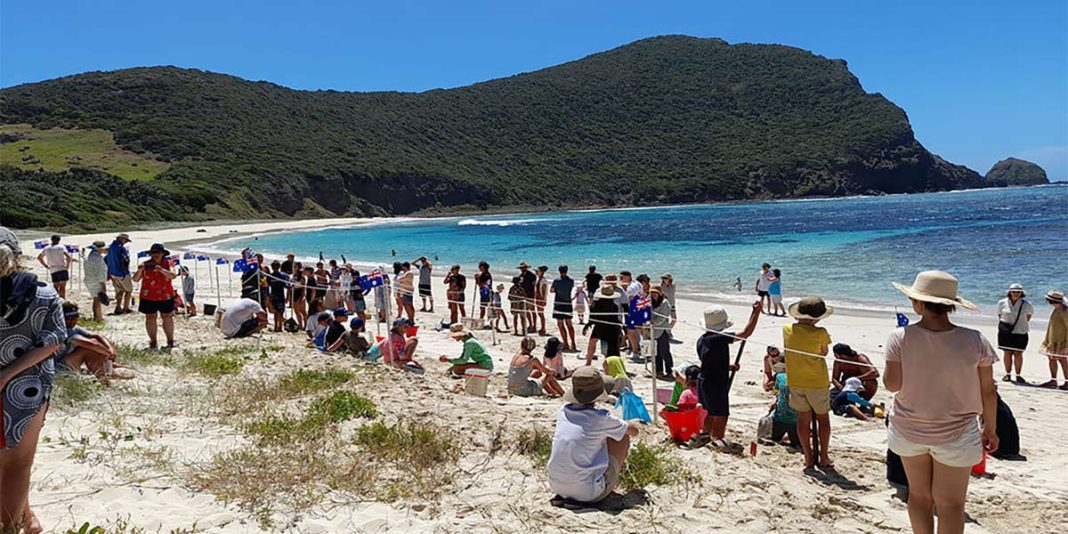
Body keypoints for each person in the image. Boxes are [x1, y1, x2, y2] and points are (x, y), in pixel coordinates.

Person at [884, 270, 998, 534]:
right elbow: (988, 390)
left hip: (908, 429)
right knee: (951, 505)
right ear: (951, 305)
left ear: (918, 303)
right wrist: (989, 428)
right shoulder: (975, 339)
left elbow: (892, 385)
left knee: (919, 496)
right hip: (957, 433)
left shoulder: (899, 337)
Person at [0, 227, 66, 533]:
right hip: (26, 391)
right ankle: (13, 526)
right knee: (17, 464)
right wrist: (8, 374)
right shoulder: (43, 293)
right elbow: (55, 340)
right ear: (16, 255)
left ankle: (25, 518)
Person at [546, 367, 641, 504]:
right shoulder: (601, 418)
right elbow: (634, 431)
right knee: (622, 437)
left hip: (556, 486)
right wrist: (633, 421)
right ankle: (606, 482)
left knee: (602, 436)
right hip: (587, 493)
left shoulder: (563, 411)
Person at [686, 301, 761, 448]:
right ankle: (719, 440)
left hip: (704, 379)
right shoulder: (718, 338)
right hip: (715, 382)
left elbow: (709, 361)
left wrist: (728, 367)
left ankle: (706, 435)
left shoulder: (703, 339)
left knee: (709, 411)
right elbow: (746, 333)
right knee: (721, 413)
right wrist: (756, 312)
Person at [782, 296, 834, 469]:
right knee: (823, 419)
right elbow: (824, 352)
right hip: (817, 381)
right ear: (818, 317)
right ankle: (824, 456)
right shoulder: (820, 332)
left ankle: (808, 456)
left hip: (796, 380)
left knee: (802, 419)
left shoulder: (787, 329)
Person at [133, 243, 179, 350]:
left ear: (163, 253)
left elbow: (173, 276)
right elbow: (135, 279)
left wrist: (161, 270)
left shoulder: (169, 263)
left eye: (157, 252)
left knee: (167, 317)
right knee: (150, 318)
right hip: (148, 296)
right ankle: (153, 342)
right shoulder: (145, 264)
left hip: (165, 295)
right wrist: (140, 270)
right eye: (153, 253)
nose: (155, 255)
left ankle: (170, 341)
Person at [55, 302, 117, 380]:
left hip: (65, 362)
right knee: (88, 348)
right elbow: (92, 344)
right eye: (68, 318)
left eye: (75, 317)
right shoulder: (63, 330)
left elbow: (97, 336)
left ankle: (107, 369)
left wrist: (110, 348)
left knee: (96, 345)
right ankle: (104, 378)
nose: (72, 320)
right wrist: (108, 354)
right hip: (56, 370)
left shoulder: (73, 328)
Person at [995, 283, 1033, 384]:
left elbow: (1028, 317)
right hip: (1005, 332)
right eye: (1013, 292)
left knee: (1018, 354)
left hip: (1021, 332)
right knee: (1007, 353)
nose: (1016, 293)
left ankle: (1018, 375)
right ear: (1009, 292)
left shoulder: (1027, 304)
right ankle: (1007, 374)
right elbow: (1000, 315)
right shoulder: (1002, 303)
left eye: (1018, 292)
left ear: (1022, 293)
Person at [584, 286, 622, 365]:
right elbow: (615, 319)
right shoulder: (613, 305)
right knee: (607, 346)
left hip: (600, 327)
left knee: (593, 342)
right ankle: (591, 362)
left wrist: (588, 324)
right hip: (606, 327)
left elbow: (592, 317)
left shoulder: (595, 304)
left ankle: (589, 362)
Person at [1039, 289, 1068, 389]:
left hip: (1061, 340)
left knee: (1063, 360)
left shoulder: (1064, 311)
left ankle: (1067, 381)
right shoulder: (1057, 309)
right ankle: (1053, 380)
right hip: (1053, 339)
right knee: (1052, 359)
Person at [768, 362, 801, 447]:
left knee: (774, 438)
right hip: (796, 421)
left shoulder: (780, 377)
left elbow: (776, 393)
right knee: (797, 443)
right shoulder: (804, 381)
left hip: (780, 418)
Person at [37, 234, 72, 299]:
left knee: (55, 286)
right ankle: (62, 300)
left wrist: (45, 265)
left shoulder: (47, 248)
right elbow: (69, 257)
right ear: (59, 240)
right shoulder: (61, 247)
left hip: (53, 269)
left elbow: (39, 257)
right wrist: (67, 266)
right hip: (61, 268)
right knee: (62, 287)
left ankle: (55, 300)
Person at [106, 233, 134, 315]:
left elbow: (106, 259)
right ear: (121, 239)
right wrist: (126, 272)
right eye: (125, 240)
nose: (125, 242)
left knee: (119, 290)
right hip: (122, 273)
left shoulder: (110, 247)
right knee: (129, 290)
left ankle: (118, 307)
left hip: (112, 272)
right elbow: (125, 261)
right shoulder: (121, 248)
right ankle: (126, 308)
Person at [649, 286, 673, 380]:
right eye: (652, 293)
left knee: (665, 352)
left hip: (663, 330)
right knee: (656, 352)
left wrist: (652, 323)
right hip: (653, 331)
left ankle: (669, 370)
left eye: (655, 293)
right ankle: (659, 370)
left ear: (660, 293)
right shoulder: (651, 302)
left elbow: (662, 317)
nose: (654, 295)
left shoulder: (665, 303)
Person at [550, 265, 577, 351]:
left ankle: (566, 343)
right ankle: (573, 343)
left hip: (559, 304)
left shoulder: (557, 281)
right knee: (569, 324)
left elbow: (552, 290)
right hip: (568, 304)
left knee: (561, 325)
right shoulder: (571, 281)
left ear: (559, 271)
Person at [83, 241, 109, 322]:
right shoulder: (98, 258)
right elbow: (100, 273)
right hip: (96, 281)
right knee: (98, 299)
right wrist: (103, 285)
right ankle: (98, 317)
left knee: (95, 299)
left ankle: (97, 316)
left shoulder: (89, 256)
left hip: (88, 279)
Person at [619, 271, 642, 354]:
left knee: (631, 330)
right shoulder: (637, 283)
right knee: (636, 330)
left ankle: (635, 348)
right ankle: (633, 346)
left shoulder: (631, 287)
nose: (620, 279)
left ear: (628, 277)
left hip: (632, 310)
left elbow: (628, 300)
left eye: (622, 277)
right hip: (639, 309)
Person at [265, 261, 289, 332]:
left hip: (274, 295)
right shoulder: (282, 276)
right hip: (280, 295)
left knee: (277, 312)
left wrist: (268, 296)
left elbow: (267, 287)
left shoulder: (270, 276)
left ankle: (277, 327)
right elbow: (286, 286)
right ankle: (279, 327)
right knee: (279, 311)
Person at [517, 262, 537, 331]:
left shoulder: (532, 275)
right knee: (527, 311)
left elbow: (534, 286)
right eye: (521, 268)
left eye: (523, 268)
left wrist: (534, 295)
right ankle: (530, 324)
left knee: (533, 311)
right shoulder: (520, 276)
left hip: (530, 295)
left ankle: (534, 326)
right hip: (523, 296)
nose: (522, 269)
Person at [659, 274, 679, 341]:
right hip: (664, 305)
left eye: (666, 278)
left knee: (674, 319)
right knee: (666, 320)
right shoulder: (661, 286)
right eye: (664, 278)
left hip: (672, 304)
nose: (665, 280)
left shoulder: (673, 286)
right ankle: (667, 333)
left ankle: (668, 330)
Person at [534, 266, 551, 335]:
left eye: (537, 272)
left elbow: (544, 291)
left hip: (541, 299)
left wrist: (543, 299)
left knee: (541, 314)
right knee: (539, 313)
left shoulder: (543, 280)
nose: (536, 273)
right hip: (538, 298)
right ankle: (542, 327)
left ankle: (543, 328)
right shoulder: (539, 279)